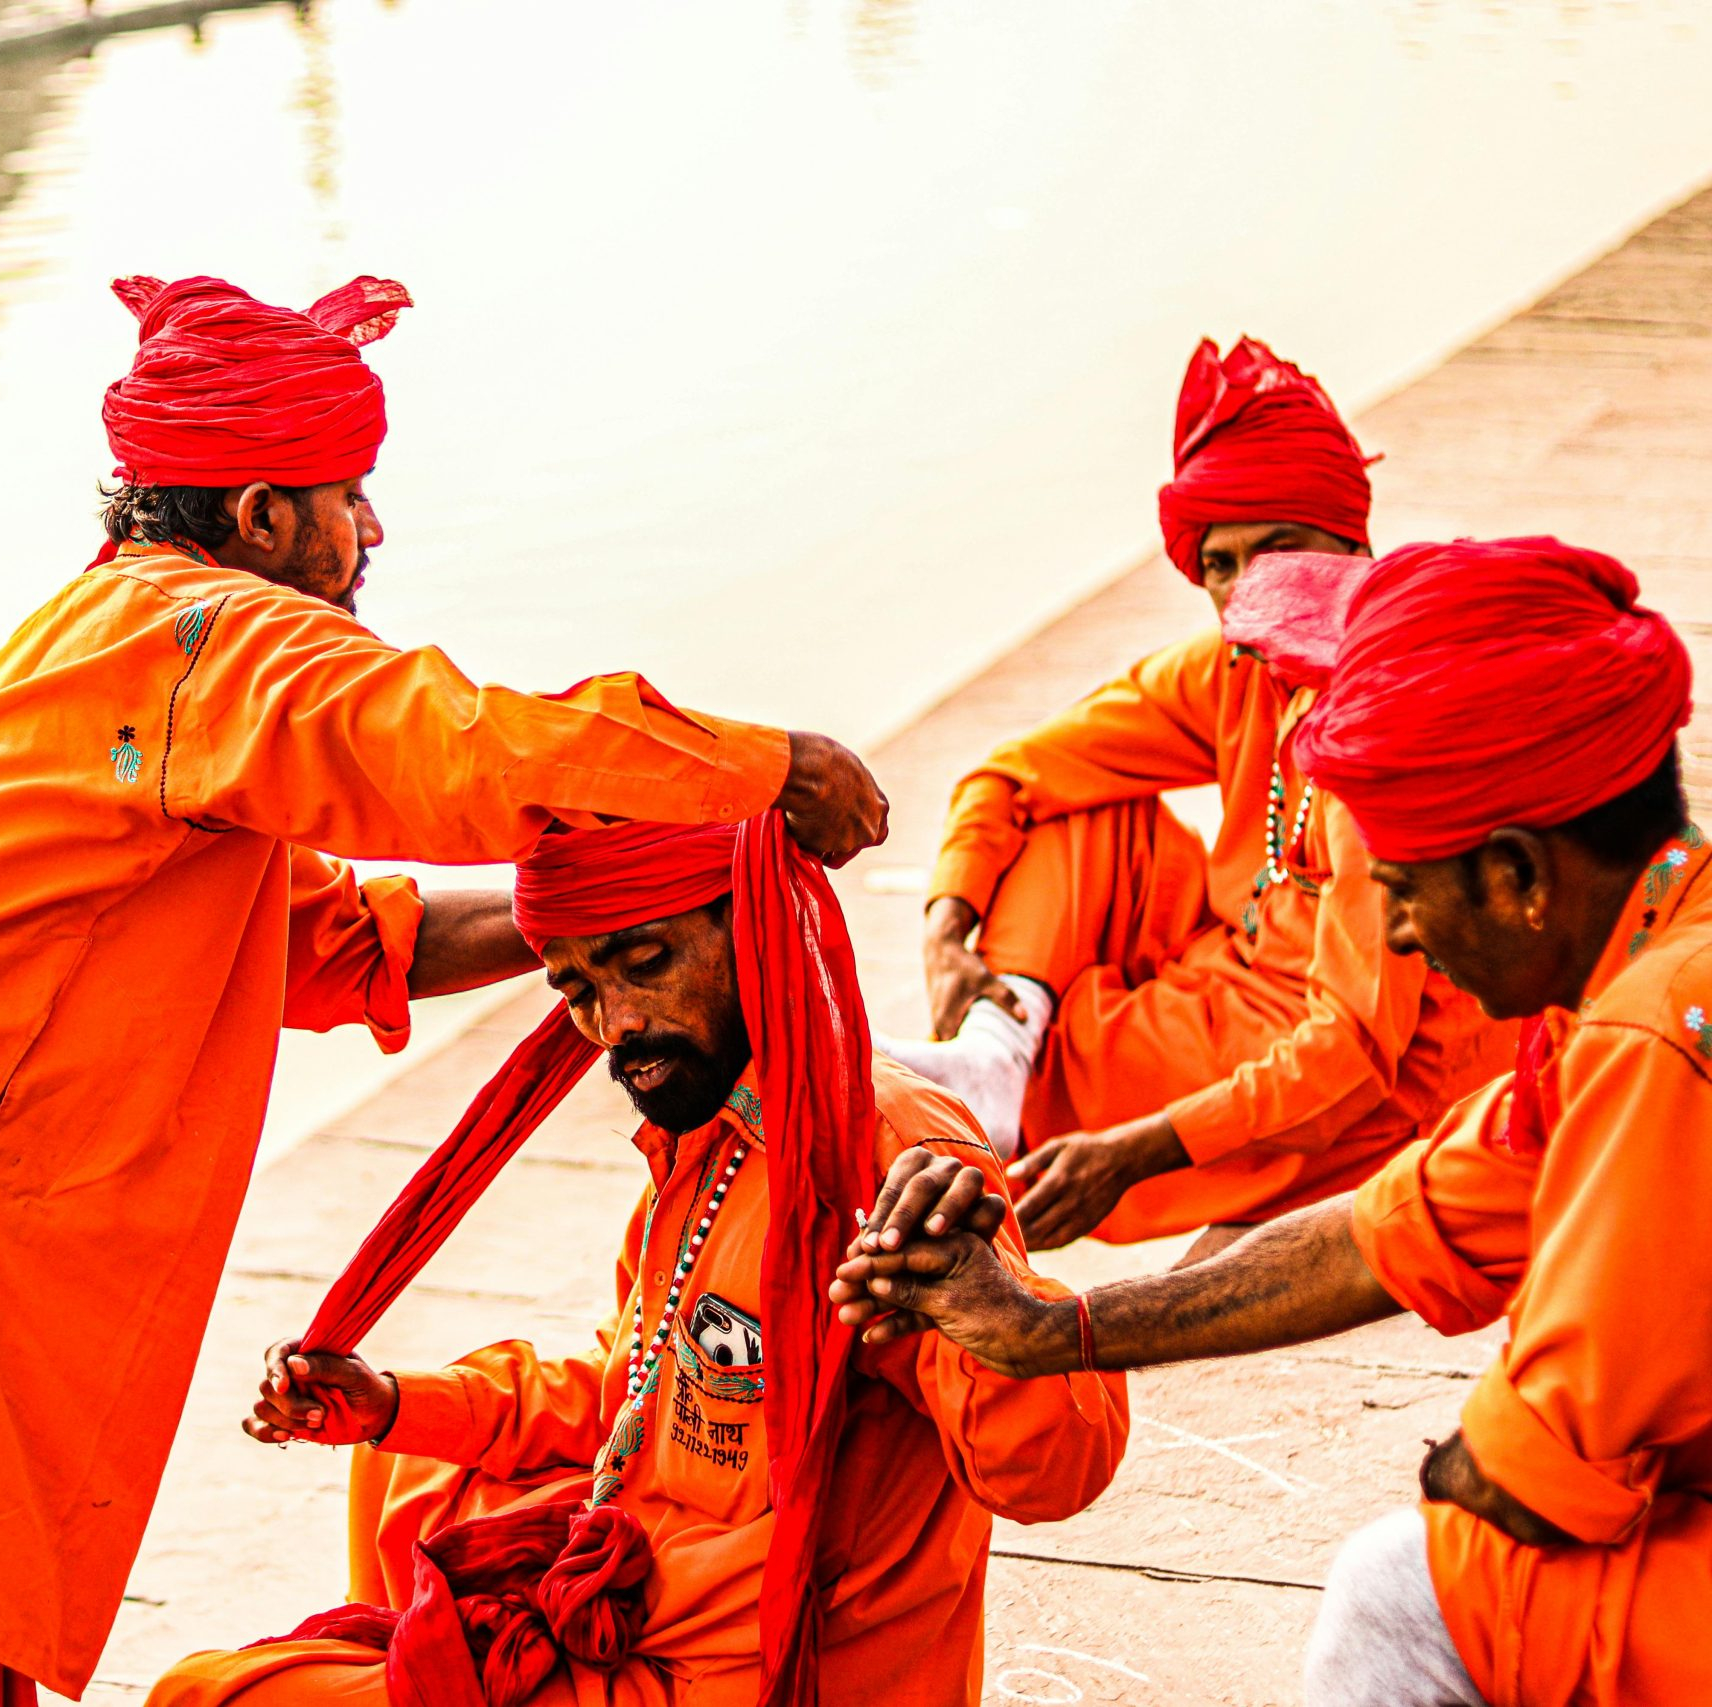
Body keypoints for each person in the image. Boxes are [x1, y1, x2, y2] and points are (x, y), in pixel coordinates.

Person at [0, 273, 890, 1707]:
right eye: (348, 494)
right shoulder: (201, 635)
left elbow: (337, 942)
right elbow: (446, 746)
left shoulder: (144, 665)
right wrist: (763, 768)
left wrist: (605, 906)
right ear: (259, 515)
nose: (371, 529)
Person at [835, 536, 1706, 1707]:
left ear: (1514, 875)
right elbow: (1373, 1239)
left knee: (1411, 1590)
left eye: (1401, 893)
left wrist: (1467, 1465)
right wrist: (1042, 1328)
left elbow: (1526, 1473)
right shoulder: (1650, 958)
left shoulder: (1652, 1034)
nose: (1397, 940)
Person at [150, 818, 1126, 1707]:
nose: (614, 1024)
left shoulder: (884, 1156)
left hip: (737, 1669)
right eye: (577, 989)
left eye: (643, 963)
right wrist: (394, 1402)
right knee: (406, 1462)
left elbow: (1055, 1474)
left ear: (754, 932)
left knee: (207, 1700)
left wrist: (986, 1307)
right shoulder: (706, 1133)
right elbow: (638, 1391)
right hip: (646, 1588)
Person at [880, 336, 1504, 1255]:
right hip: (1218, 971)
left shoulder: (1384, 717)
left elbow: (1354, 1051)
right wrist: (946, 929)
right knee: (1073, 802)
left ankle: (1003, 1094)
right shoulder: (1233, 669)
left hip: (1340, 1075)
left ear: (1354, 545)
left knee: (926, 1142)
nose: (1253, 590)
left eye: (1282, 548)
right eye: (1223, 564)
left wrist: (1126, 1157)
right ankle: (994, 1062)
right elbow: (1010, 772)